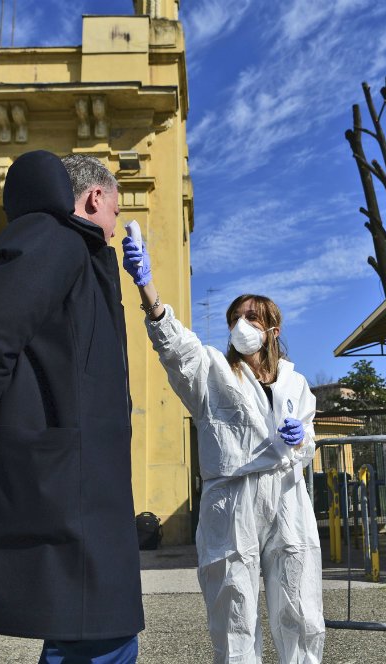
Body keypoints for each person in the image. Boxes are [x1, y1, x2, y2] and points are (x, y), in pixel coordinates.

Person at [0, 150, 144, 663]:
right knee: (97, 636)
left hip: (75, 484)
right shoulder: (54, 239)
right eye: (117, 209)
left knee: (91, 634)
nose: (117, 222)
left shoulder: (68, 249)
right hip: (66, 486)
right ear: (95, 196)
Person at [121, 236, 325, 663]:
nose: (240, 324)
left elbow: (306, 442)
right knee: (234, 614)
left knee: (301, 609)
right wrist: (149, 294)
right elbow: (177, 348)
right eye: (235, 317)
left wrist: (300, 440)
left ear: (273, 328)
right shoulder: (212, 371)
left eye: (252, 317)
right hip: (232, 499)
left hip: (287, 493)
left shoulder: (296, 383)